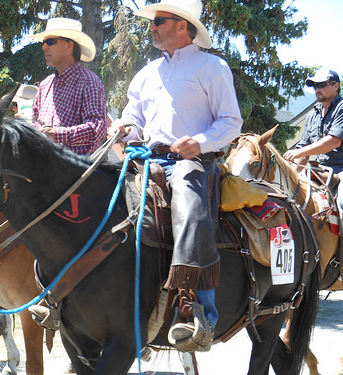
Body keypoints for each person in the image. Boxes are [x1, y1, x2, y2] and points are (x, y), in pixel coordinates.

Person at [108, 0, 242, 350]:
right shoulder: (147, 72)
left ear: (183, 25)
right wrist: (125, 126)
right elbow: (133, 116)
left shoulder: (213, 67)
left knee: (190, 204)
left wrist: (198, 143)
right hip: (147, 158)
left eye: (159, 21)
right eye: (153, 21)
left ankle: (202, 314)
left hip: (193, 163)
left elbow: (231, 122)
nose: (152, 27)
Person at [28, 17, 107, 154]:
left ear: (68, 45)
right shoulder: (45, 84)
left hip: (78, 170)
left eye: (50, 41)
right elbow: (34, 120)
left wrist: (57, 134)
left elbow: (98, 129)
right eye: (44, 42)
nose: (44, 46)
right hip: (45, 165)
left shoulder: (89, 82)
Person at [283, 68, 343, 209]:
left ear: (336, 86)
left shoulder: (341, 108)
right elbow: (303, 152)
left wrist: (300, 152)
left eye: (322, 85)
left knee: (342, 202)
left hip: (341, 169)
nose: (317, 89)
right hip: (319, 170)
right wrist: (290, 177)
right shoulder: (312, 115)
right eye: (315, 86)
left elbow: (334, 141)